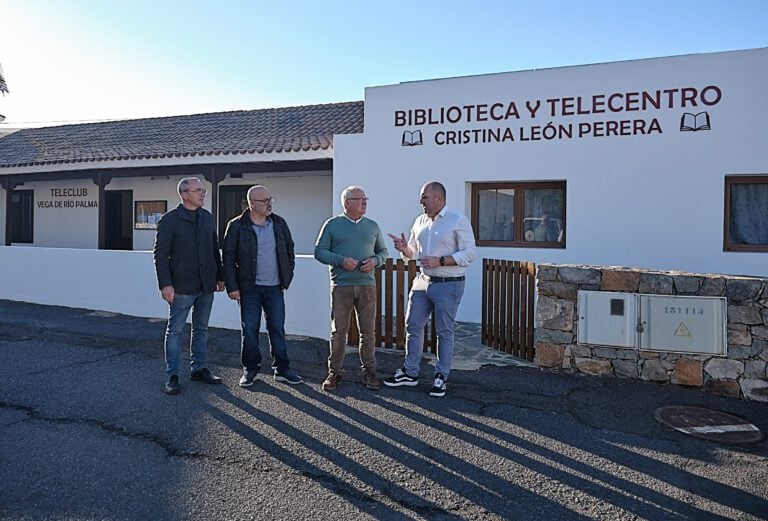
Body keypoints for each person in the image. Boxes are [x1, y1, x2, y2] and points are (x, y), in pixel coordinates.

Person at [384, 181, 476, 397]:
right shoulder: (419, 221)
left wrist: (441, 261)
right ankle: (410, 372)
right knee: (412, 325)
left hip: (449, 284)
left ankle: (441, 376)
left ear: (439, 198)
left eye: (424, 197)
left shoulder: (457, 220)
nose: (421, 202)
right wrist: (404, 249)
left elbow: (470, 253)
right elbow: (413, 252)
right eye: (421, 197)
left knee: (444, 331)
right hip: (422, 281)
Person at [222, 185, 302, 387]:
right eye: (264, 200)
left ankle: (282, 370)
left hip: (275, 287)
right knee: (249, 330)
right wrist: (232, 287)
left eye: (270, 199)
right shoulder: (237, 226)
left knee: (277, 329)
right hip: (249, 289)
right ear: (251, 204)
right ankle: (250, 369)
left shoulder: (279, 223)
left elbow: (289, 250)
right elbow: (228, 258)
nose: (269, 203)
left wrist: (287, 276)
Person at [153, 177, 225, 395]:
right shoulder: (170, 220)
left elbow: (214, 249)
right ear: (184, 195)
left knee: (201, 329)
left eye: (203, 190)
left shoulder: (207, 218)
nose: (203, 193)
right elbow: (160, 255)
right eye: (198, 190)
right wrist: (165, 285)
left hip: (206, 285)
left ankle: (198, 368)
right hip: (182, 286)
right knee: (175, 331)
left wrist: (220, 277)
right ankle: (172, 375)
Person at [314, 186, 388, 392]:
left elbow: (383, 251)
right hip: (341, 286)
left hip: (367, 286)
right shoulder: (332, 225)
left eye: (366, 198)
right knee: (338, 332)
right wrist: (340, 260)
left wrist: (374, 261)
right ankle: (334, 372)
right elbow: (319, 251)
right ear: (347, 203)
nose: (364, 202)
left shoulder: (372, 226)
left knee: (368, 332)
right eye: (359, 199)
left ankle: (369, 371)